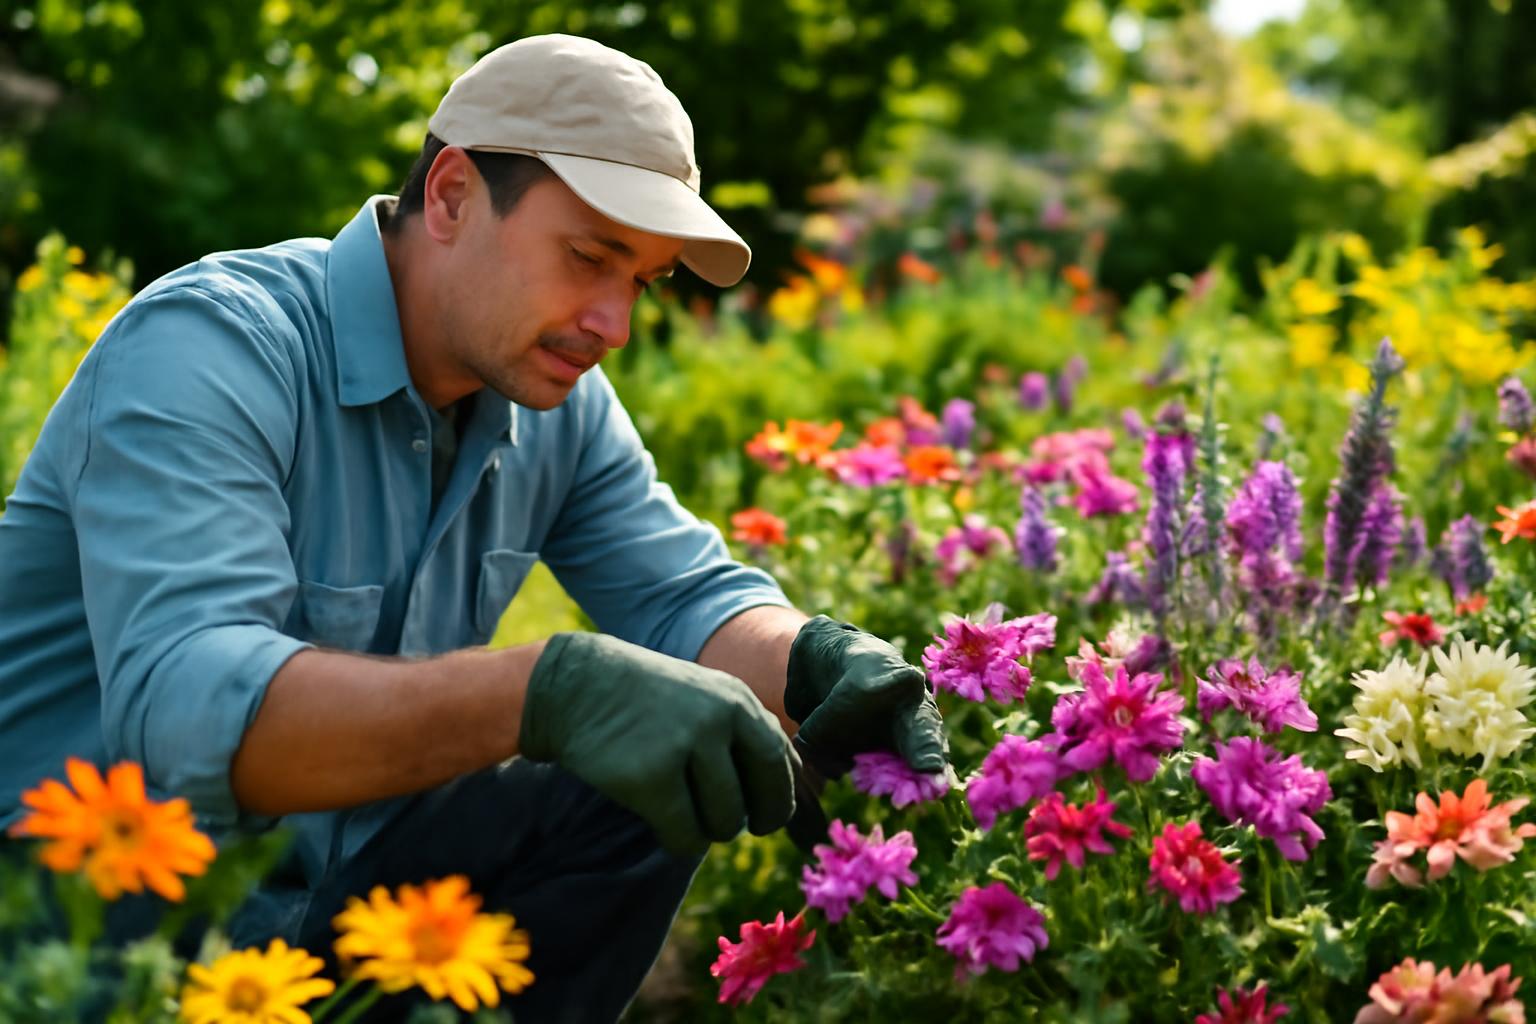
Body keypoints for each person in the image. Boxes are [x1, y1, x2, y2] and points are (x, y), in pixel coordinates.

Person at [0, 33, 947, 1022]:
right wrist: (543, 690)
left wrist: (815, 659)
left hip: (336, 915)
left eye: (643, 280)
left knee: (644, 776)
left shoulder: (553, 402)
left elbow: (683, 596)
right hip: (88, 935)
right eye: (590, 257)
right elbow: (190, 716)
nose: (615, 323)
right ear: (452, 195)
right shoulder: (212, 347)